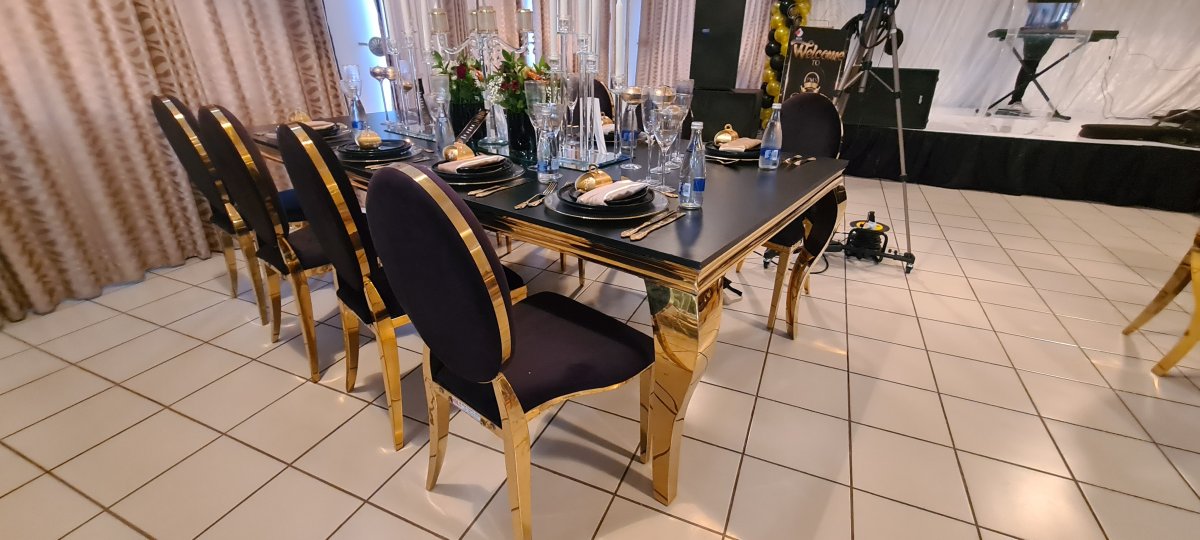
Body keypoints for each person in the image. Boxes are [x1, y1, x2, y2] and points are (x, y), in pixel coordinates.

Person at [996, 1, 1078, 117]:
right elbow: (1033, 3)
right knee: (1030, 64)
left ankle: (1016, 100)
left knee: (1032, 64)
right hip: (1037, 26)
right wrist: (1041, 17)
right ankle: (1015, 100)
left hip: (1051, 28)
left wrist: (1063, 21)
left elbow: (1070, 6)